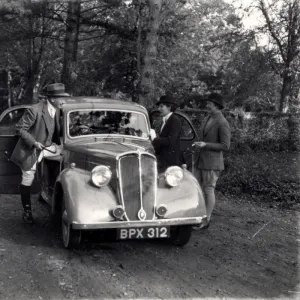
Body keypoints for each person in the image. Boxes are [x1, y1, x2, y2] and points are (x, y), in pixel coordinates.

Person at [10, 83, 69, 223]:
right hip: (30, 149)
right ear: (53, 99)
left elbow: (57, 131)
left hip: (48, 148)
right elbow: (20, 129)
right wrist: (34, 142)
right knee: (28, 177)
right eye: (62, 98)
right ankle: (27, 211)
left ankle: (49, 193)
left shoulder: (59, 110)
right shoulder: (34, 110)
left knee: (67, 156)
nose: (64, 101)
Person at [193, 93, 231, 228]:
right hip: (200, 160)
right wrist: (199, 143)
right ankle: (196, 215)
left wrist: (206, 145)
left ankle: (206, 220)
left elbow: (226, 145)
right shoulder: (208, 117)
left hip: (212, 163)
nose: (206, 105)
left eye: (209, 103)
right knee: (196, 188)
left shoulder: (222, 122)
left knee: (208, 189)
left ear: (216, 105)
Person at [151, 94, 182, 171]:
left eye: (161, 106)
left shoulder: (174, 120)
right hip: (164, 160)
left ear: (169, 107)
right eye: (159, 107)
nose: (159, 109)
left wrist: (154, 139)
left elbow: (171, 141)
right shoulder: (166, 120)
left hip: (170, 162)